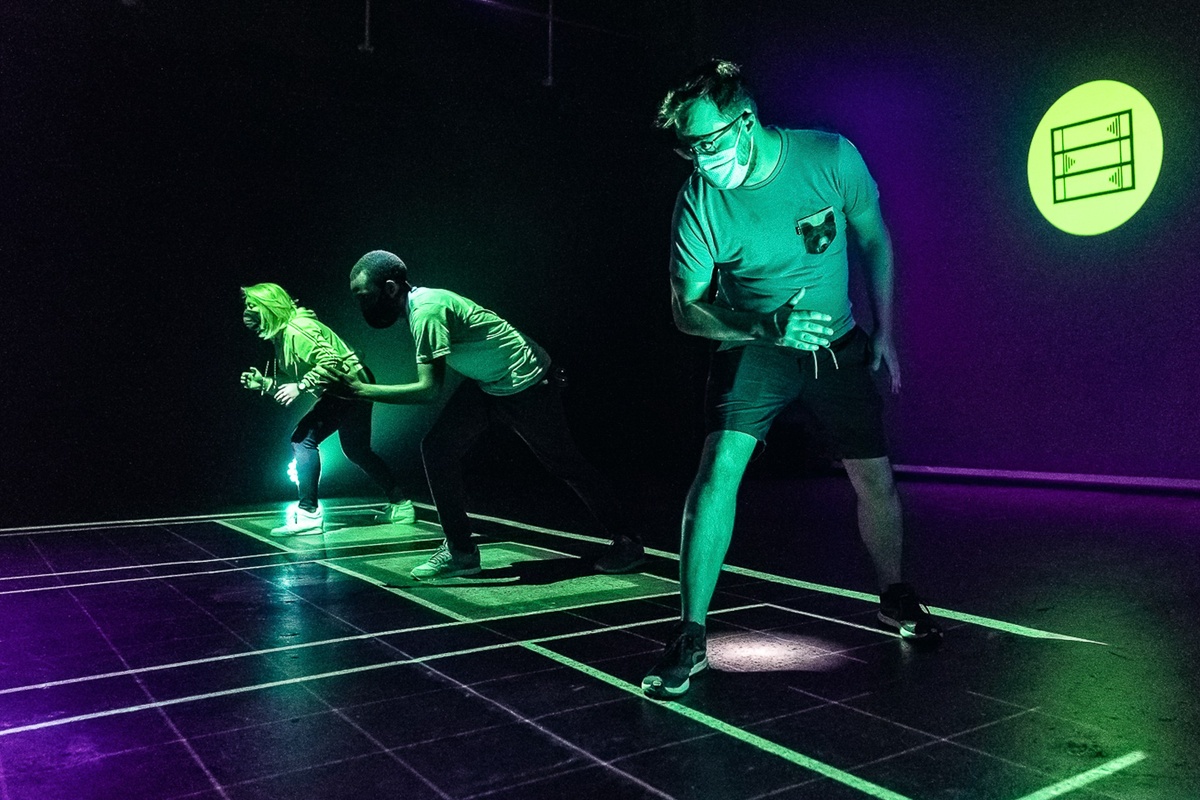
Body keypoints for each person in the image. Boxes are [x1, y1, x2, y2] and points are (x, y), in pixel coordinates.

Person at [641, 60, 940, 699]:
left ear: (745, 122)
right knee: (718, 469)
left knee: (875, 478)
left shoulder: (830, 156)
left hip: (834, 345)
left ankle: (893, 595)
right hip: (756, 343)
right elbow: (684, 307)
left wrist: (884, 331)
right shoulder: (699, 198)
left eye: (708, 143)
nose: (698, 160)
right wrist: (762, 323)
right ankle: (691, 635)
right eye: (686, 148)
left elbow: (875, 241)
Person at [332, 250, 643, 579]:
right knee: (437, 448)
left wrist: (359, 390)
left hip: (528, 384)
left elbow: (428, 390)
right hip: (489, 383)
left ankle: (629, 543)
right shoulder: (418, 307)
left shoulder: (426, 312)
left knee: (566, 465)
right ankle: (461, 552)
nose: (362, 306)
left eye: (364, 297)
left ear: (391, 288)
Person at [239, 282, 414, 535]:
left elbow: (331, 360)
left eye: (252, 305)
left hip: (349, 383)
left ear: (269, 306)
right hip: (350, 383)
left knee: (303, 439)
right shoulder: (283, 338)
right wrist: (265, 383)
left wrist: (300, 386)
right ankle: (402, 505)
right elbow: (302, 374)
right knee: (357, 450)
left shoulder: (298, 329)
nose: (248, 310)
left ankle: (308, 513)